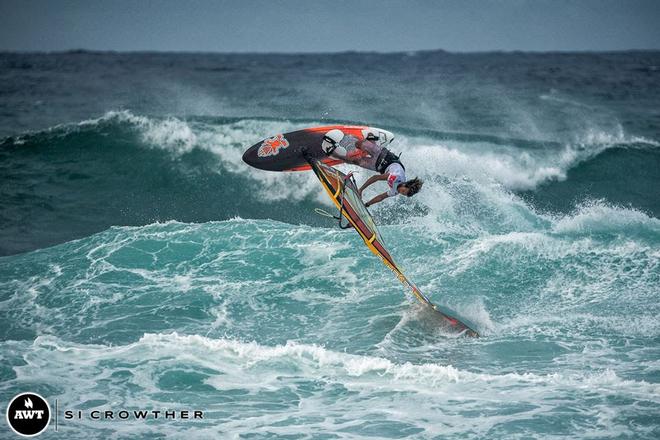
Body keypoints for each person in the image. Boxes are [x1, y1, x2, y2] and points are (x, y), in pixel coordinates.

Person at [321, 129, 423, 207]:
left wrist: (367, 204)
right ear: (405, 184)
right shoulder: (396, 177)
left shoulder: (395, 191)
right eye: (404, 191)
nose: (401, 193)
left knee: (353, 160)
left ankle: (333, 152)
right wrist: (361, 190)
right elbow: (375, 178)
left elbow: (381, 197)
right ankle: (370, 138)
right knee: (358, 144)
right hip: (382, 155)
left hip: (377, 166)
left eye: (404, 194)